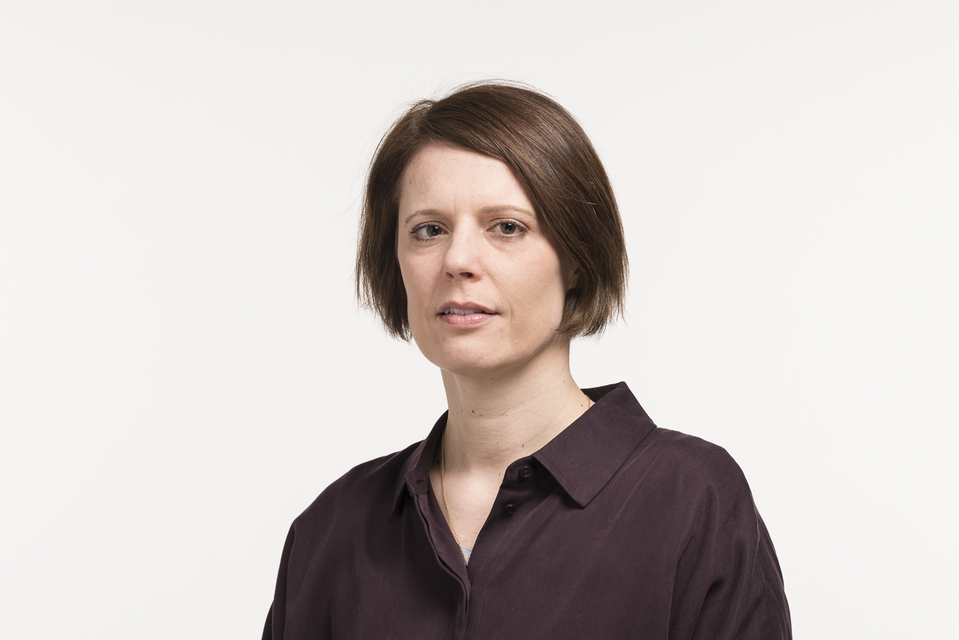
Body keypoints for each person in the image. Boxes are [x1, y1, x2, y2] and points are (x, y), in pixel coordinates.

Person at [262, 82, 791, 639]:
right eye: (429, 230)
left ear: (578, 261)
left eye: (507, 227)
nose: (458, 260)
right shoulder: (332, 528)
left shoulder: (691, 499)